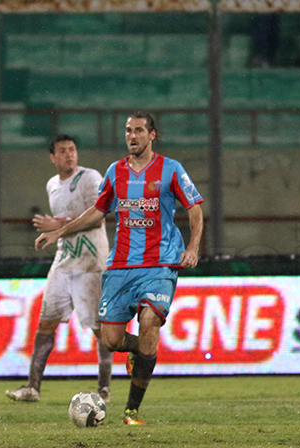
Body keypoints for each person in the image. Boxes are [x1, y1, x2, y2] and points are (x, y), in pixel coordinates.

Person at [35, 111, 204, 425]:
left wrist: (192, 247)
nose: (132, 136)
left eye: (139, 130)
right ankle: (141, 351)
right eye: (128, 131)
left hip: (159, 263)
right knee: (111, 340)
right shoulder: (116, 171)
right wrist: (60, 232)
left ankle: (131, 411)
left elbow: (194, 208)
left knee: (149, 321)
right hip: (121, 264)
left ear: (152, 134)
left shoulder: (170, 169)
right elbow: (96, 212)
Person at [5, 134, 113, 403]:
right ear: (52, 157)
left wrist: (58, 225)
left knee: (100, 329)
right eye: (63, 151)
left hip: (91, 263)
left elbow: (98, 218)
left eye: (72, 149)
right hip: (64, 263)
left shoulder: (90, 178)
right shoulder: (52, 184)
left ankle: (104, 389)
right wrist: (59, 227)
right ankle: (32, 388)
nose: (69, 154)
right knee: (46, 323)